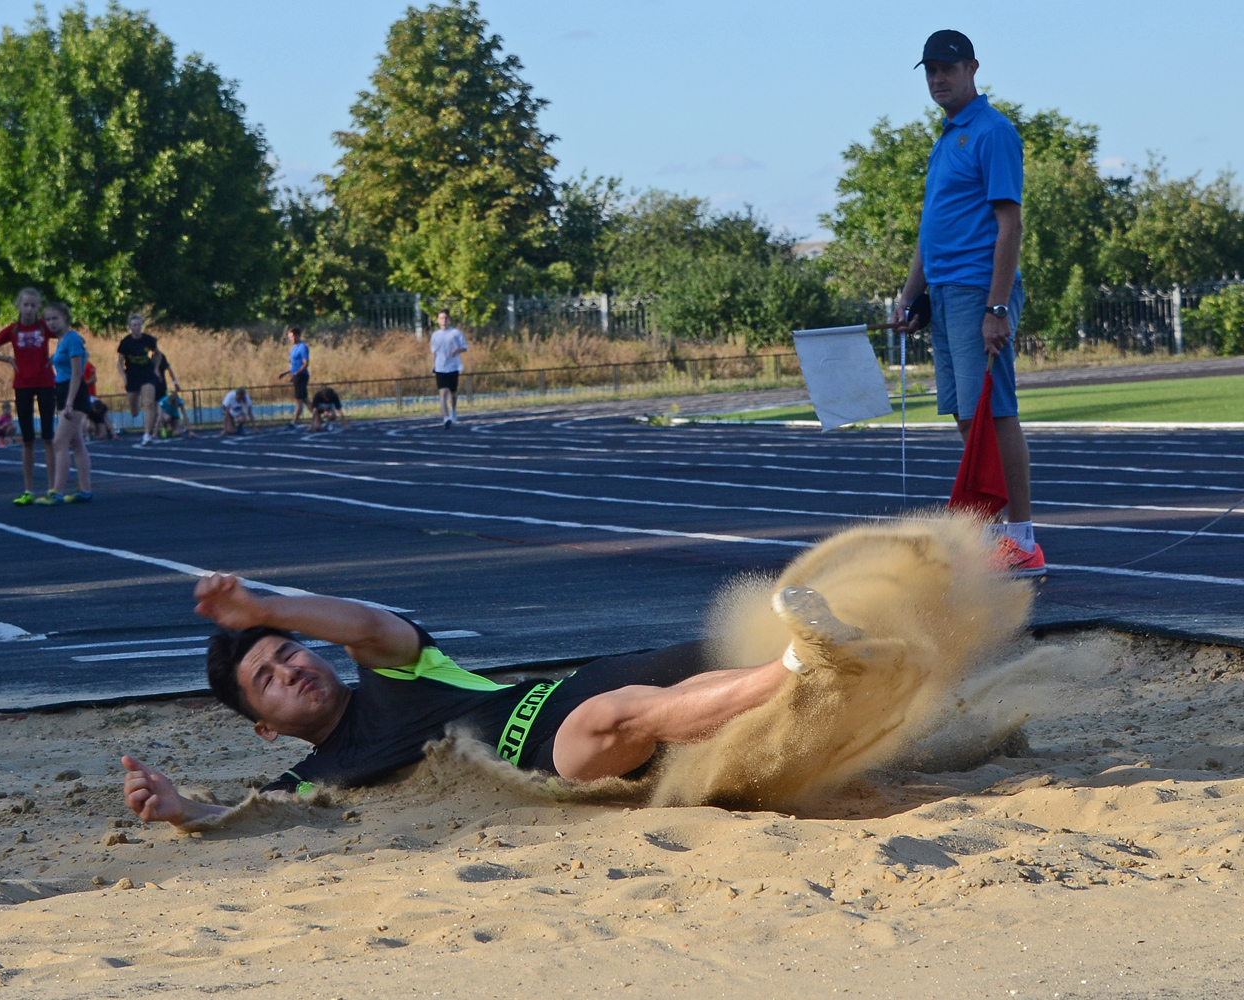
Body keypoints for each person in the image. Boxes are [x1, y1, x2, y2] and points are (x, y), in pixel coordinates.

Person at [122, 574, 792, 828]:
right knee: (614, 717)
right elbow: (246, 817)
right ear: (265, 728)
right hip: (569, 750)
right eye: (267, 678)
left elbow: (365, 623)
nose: (291, 670)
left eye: (290, 651)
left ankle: (823, 657)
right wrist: (182, 809)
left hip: (581, 686)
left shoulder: (395, 672)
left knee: (731, 643)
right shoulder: (312, 781)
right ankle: (795, 670)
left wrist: (265, 607)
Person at [891, 30, 1042, 579]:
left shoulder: (993, 131)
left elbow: (1010, 223)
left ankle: (1021, 538)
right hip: (947, 291)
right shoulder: (946, 136)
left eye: (948, 68)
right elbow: (932, 231)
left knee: (997, 413)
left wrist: (997, 307)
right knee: (966, 415)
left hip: (980, 290)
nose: (938, 78)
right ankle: (989, 537)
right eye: (931, 70)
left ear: (973, 68)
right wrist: (911, 294)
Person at [0, 287, 57, 505]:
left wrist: (56, 357)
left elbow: (68, 336)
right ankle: (28, 490)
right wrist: (7, 360)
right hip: (22, 385)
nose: (29, 309)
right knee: (28, 439)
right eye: (26, 305)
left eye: (33, 305)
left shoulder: (44, 326)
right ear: (19, 306)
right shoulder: (12, 331)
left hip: (45, 383)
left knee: (48, 437)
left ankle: (52, 488)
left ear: (37, 307)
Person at [38, 302, 94, 504]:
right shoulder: (61, 340)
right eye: (48, 319)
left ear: (66, 319)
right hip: (62, 390)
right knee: (76, 442)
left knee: (58, 442)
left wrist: (69, 403)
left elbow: (77, 374)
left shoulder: (72, 339)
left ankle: (57, 491)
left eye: (55, 318)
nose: (51, 323)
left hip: (74, 393)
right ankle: (86, 490)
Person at [117, 313, 159, 446]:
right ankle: (136, 407)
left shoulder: (148, 339)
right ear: (130, 327)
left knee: (150, 403)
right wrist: (124, 377)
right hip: (132, 375)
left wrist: (156, 368)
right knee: (134, 411)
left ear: (142, 325)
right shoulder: (126, 342)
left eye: (139, 325)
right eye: (134, 325)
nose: (136, 327)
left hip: (146, 373)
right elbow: (119, 362)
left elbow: (158, 354)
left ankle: (147, 434)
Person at [429, 309, 468, 429]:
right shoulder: (435, 335)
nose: (443, 320)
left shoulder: (455, 333)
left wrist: (457, 350)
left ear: (449, 319)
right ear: (437, 320)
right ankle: (446, 417)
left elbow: (465, 347)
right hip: (440, 367)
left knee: (453, 394)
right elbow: (433, 352)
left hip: (453, 367)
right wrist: (432, 364)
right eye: (441, 318)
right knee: (442, 393)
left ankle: (454, 410)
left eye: (445, 318)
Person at [278, 326, 310, 429]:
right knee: (304, 399)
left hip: (301, 376)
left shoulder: (303, 347)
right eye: (290, 337)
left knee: (299, 400)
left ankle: (295, 422)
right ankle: (317, 416)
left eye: (292, 337)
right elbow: (293, 364)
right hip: (296, 375)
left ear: (297, 336)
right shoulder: (294, 349)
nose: (290, 339)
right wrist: (285, 372)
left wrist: (296, 373)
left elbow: (305, 363)